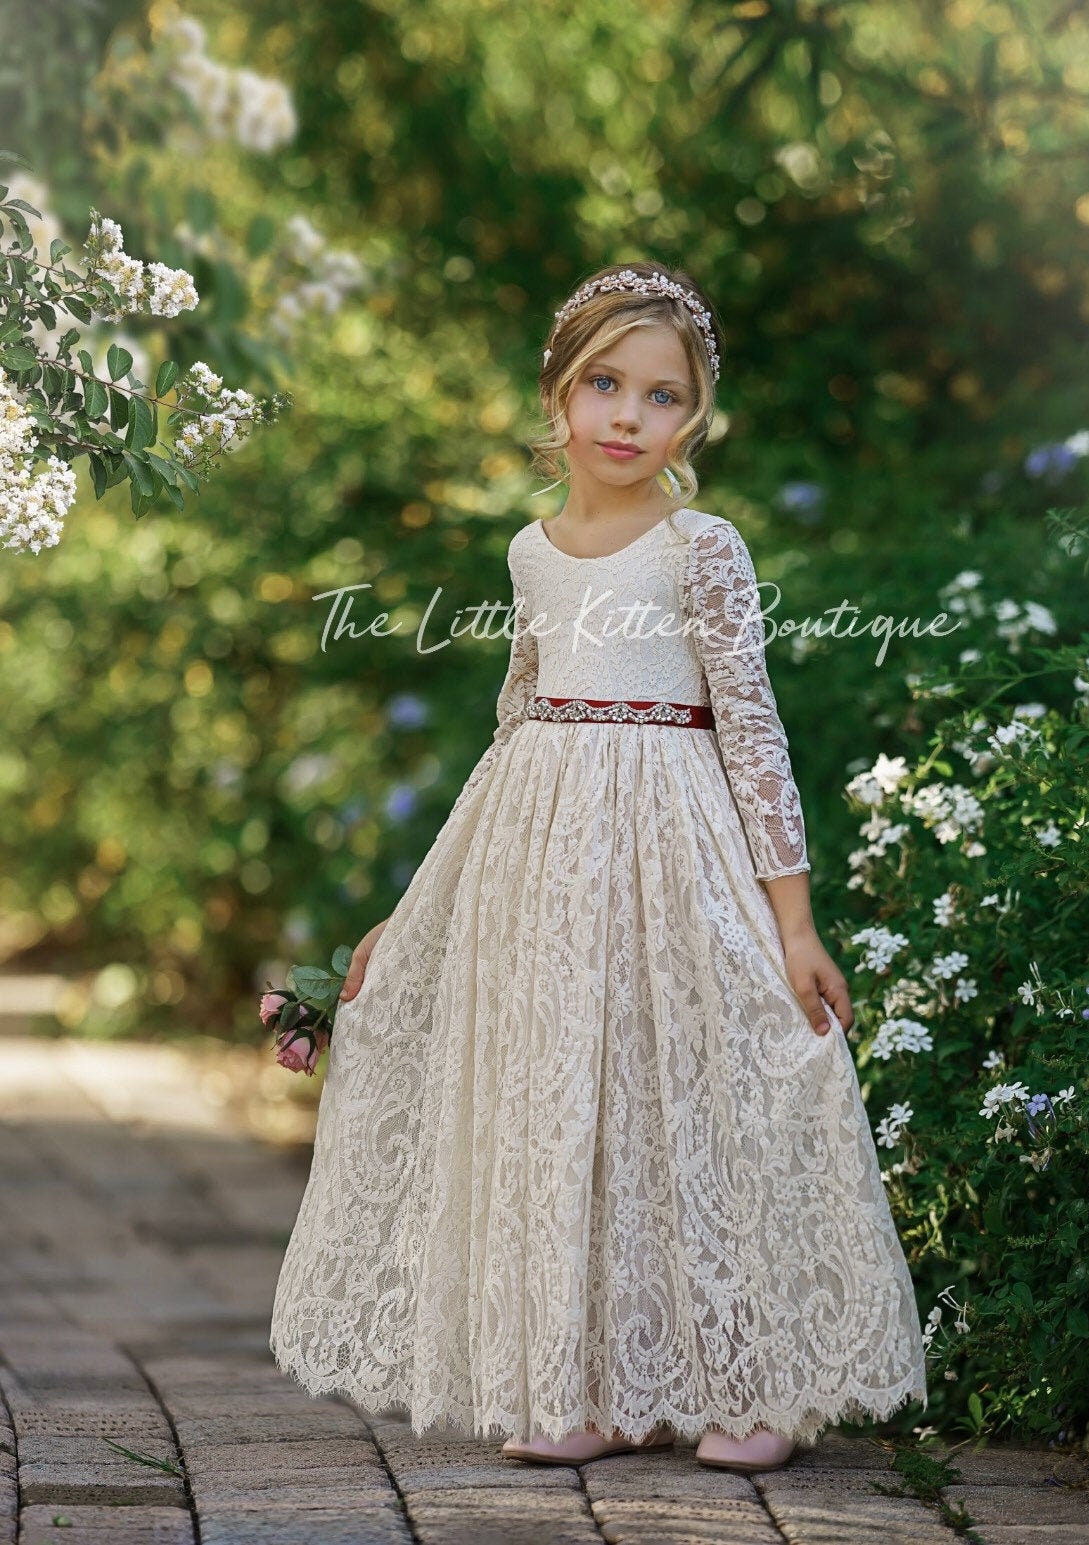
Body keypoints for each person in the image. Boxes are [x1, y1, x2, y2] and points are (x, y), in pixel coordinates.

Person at [268, 260, 927, 1474]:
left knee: (707, 1085)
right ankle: (598, 1385)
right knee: (573, 1103)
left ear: (695, 416)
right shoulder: (532, 550)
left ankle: (753, 1386)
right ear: (560, 400)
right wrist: (411, 917)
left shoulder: (702, 547)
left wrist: (795, 924)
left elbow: (755, 728)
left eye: (663, 396)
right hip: (547, 857)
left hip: (677, 840)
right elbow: (514, 722)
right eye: (605, 386)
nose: (629, 416)